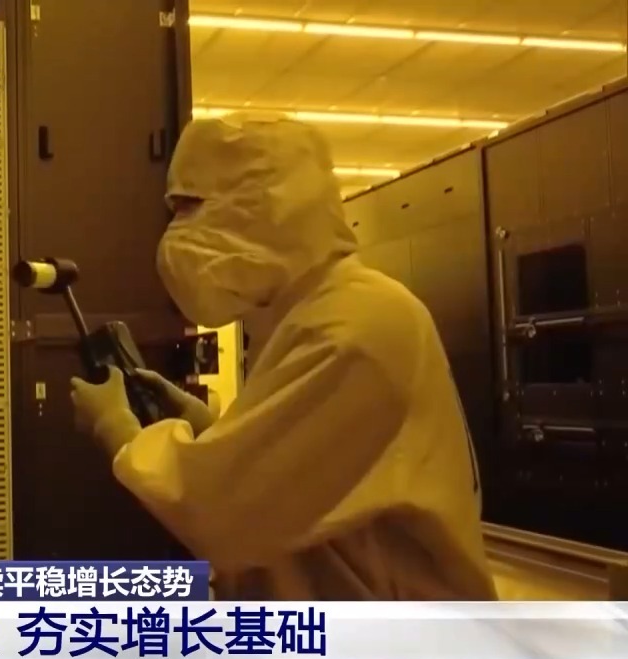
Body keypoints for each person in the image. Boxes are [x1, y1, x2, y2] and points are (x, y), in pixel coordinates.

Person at [69, 112, 498, 600]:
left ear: (269, 203)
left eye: (189, 207)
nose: (176, 235)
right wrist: (209, 428)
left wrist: (116, 427)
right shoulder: (321, 311)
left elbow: (224, 512)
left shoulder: (353, 324)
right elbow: (307, 476)